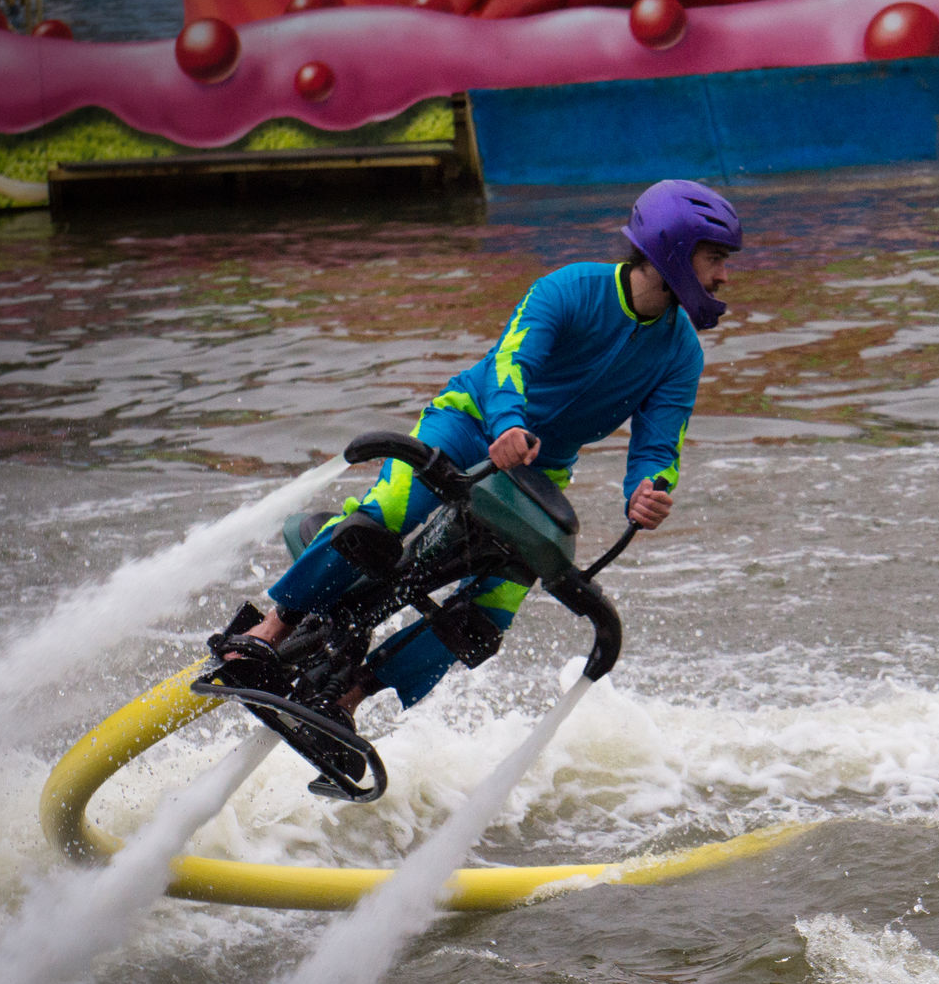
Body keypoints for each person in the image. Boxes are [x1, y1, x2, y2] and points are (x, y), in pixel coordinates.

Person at [228, 179, 740, 724]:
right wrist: (508, 423)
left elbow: (659, 446)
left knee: (487, 618)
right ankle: (267, 632)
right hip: (468, 424)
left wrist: (648, 490)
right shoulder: (569, 288)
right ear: (672, 249)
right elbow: (509, 363)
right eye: (714, 259)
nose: (723, 276)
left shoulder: (681, 354)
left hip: (537, 472)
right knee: (386, 517)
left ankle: (345, 699)